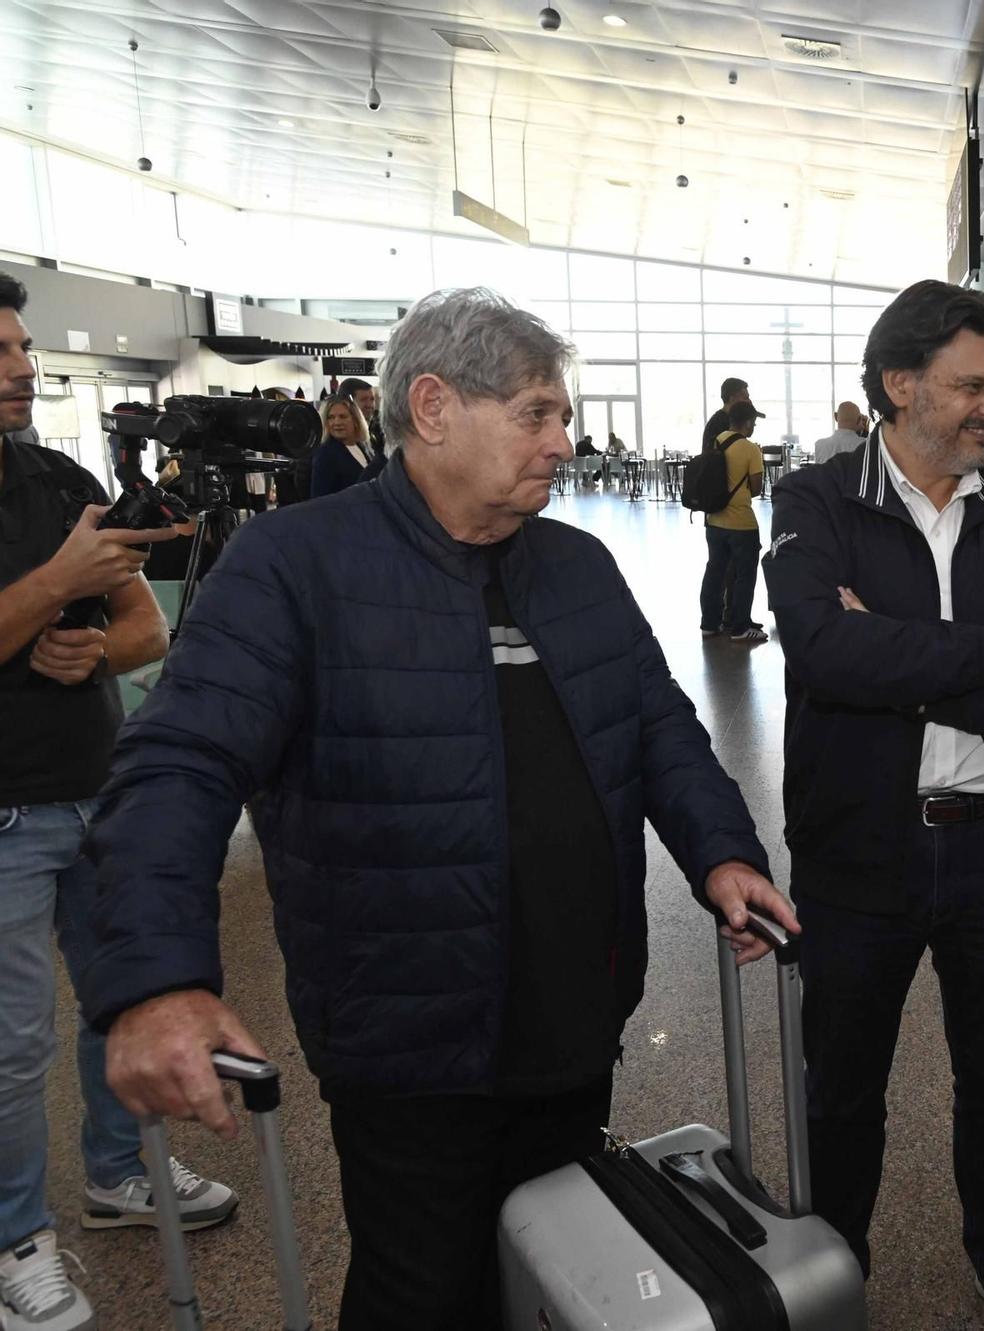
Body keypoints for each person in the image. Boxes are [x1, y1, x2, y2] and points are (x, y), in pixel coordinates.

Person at [78, 288, 800, 1329]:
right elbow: (178, 764)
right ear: (431, 406)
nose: (563, 441)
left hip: (573, 1011)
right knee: (424, 1284)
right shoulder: (295, 566)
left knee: (557, 1261)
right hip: (411, 1034)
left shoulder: (575, 565)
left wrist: (722, 853)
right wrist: (154, 982)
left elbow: (656, 728)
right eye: (536, 413)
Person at [762, 280, 984, 1331]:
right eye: (971, 385)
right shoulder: (819, 501)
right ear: (898, 383)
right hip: (858, 854)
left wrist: (895, 657)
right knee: (841, 1091)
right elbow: (821, 649)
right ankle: (836, 1267)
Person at [0, 273, 236, 1331]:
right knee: (13, 1046)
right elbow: (61, 588)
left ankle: (119, 1173)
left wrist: (85, 646)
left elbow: (144, 628)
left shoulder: (57, 478)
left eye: (20, 346)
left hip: (93, 792)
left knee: (120, 1004)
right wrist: (51, 590)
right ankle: (17, 1236)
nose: (20, 367)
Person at [698, 400, 767, 644]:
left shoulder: (715, 442)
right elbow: (757, 489)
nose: (754, 426)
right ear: (747, 423)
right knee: (744, 574)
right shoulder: (750, 449)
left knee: (715, 570)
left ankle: (709, 623)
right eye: (754, 422)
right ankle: (740, 626)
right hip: (741, 522)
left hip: (714, 519)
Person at [308, 394, 381, 498]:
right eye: (331, 417)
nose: (337, 422)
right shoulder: (325, 454)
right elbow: (319, 499)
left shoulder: (362, 446)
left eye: (343, 417)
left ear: (355, 420)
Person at [701, 377, 762, 453]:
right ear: (732, 398)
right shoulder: (721, 424)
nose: (749, 401)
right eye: (746, 398)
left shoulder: (721, 420)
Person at [810, 400, 869, 464]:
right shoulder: (867, 445)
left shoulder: (819, 445)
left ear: (835, 417)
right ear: (859, 420)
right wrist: (865, 431)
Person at [339, 377, 385, 453]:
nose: (369, 405)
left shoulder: (376, 430)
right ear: (347, 402)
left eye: (372, 399)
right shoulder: (344, 439)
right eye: (364, 399)